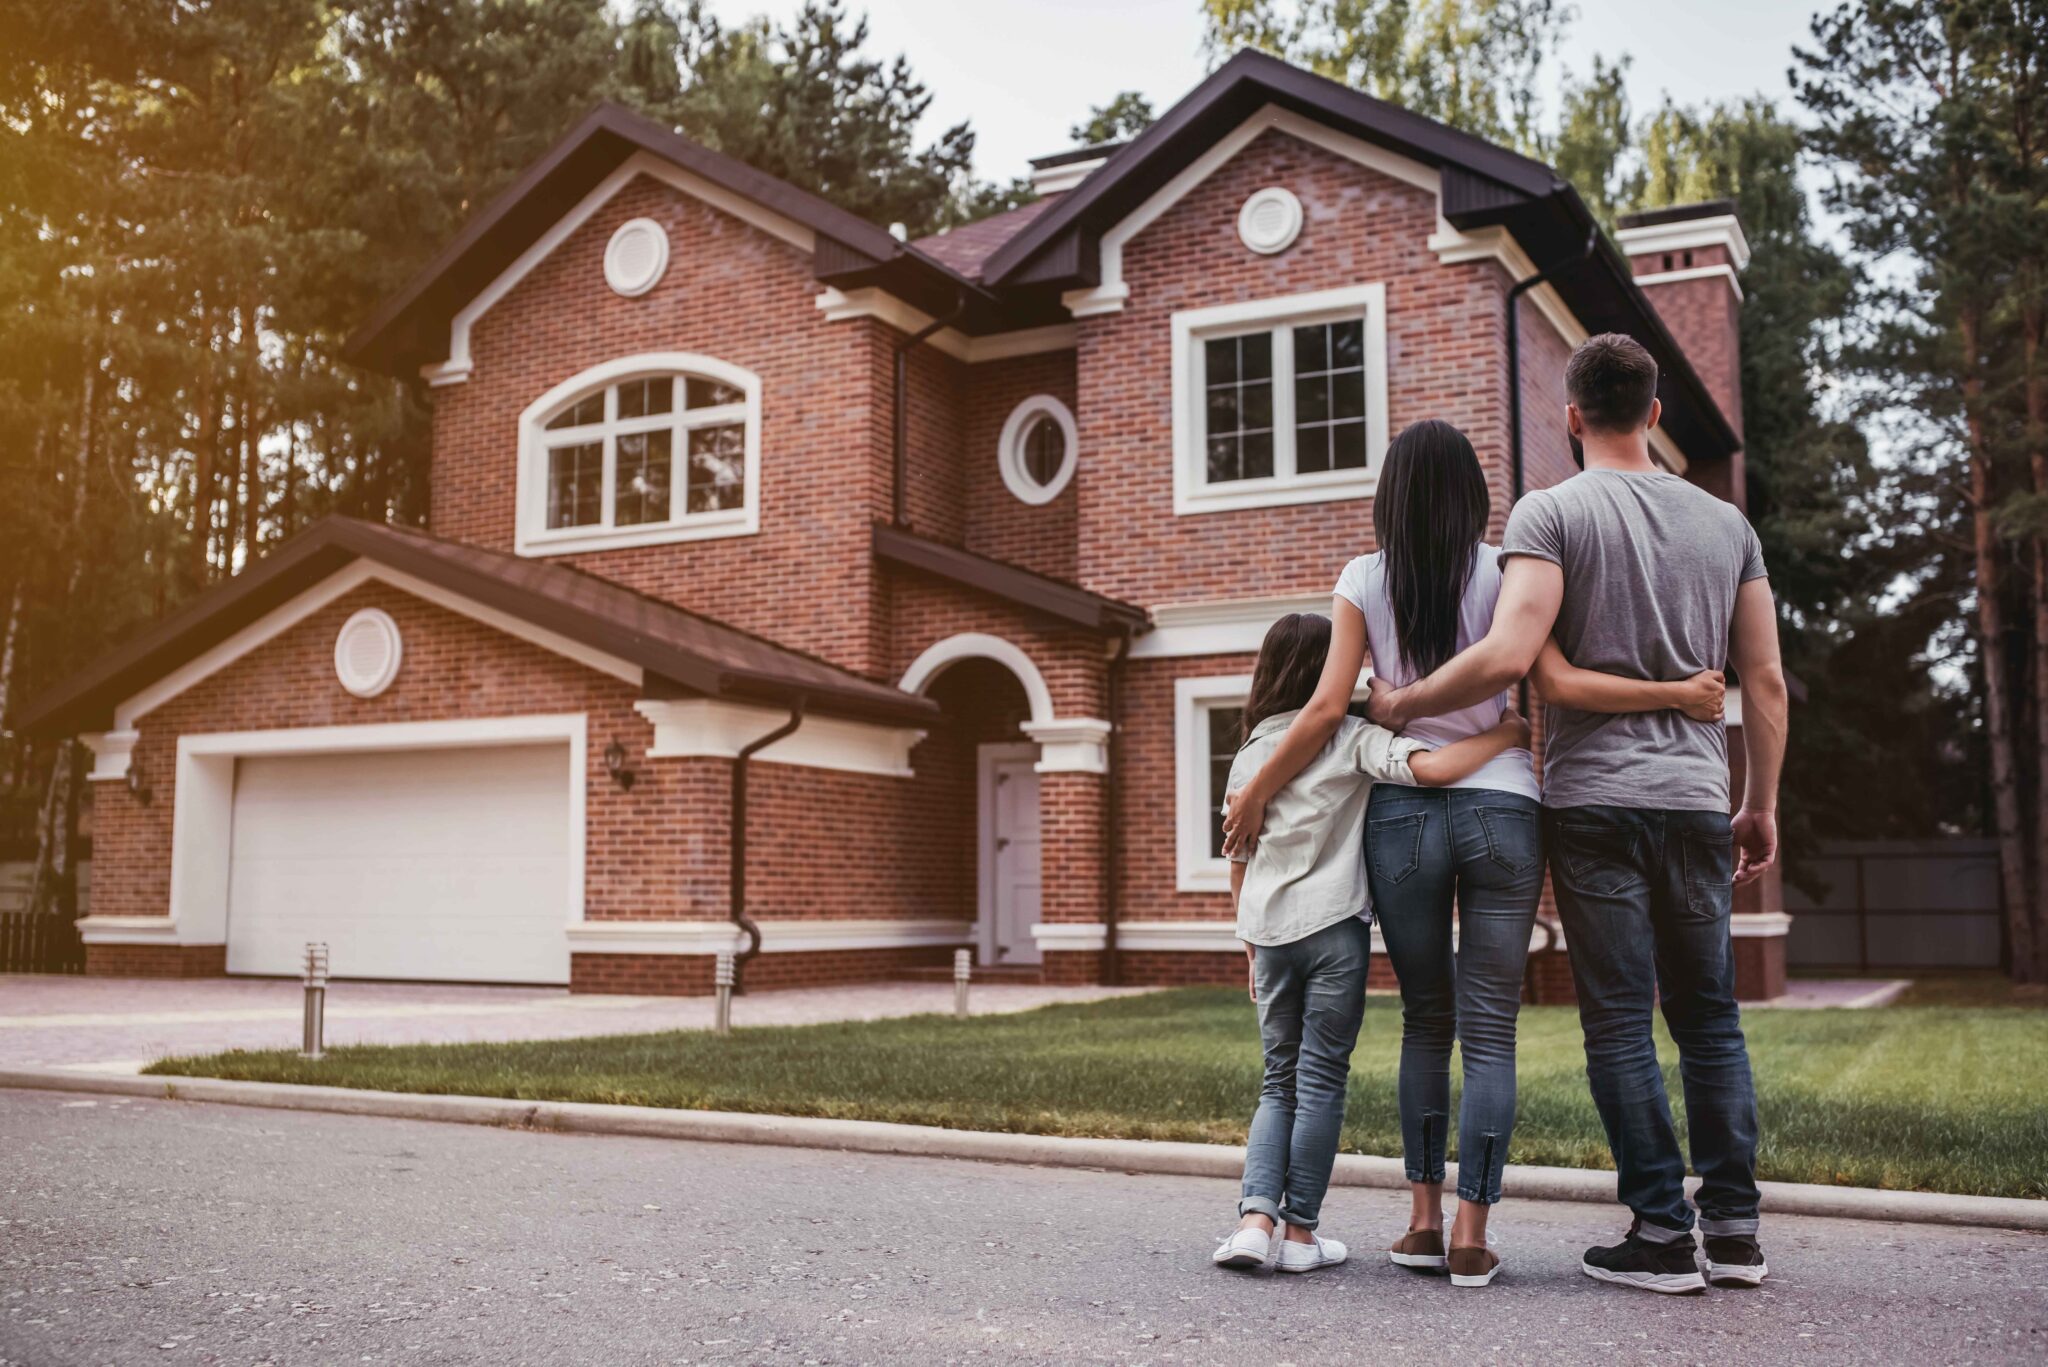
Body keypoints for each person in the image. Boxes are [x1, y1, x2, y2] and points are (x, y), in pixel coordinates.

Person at [1221, 418, 1726, 1290]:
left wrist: (1260, 786)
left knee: (1426, 1018)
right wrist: (1522, 725)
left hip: (1404, 817)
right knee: (1491, 1029)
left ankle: (1418, 1221)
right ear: (1475, 497)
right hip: (1503, 807)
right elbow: (1549, 674)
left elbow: (1322, 710)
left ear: (1388, 495)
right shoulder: (1510, 569)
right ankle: (1470, 1232)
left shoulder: (1362, 577)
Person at [1357, 335, 1789, 1295]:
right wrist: (1757, 802)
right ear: (1657, 411)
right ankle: (1736, 1230)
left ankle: (1662, 1235)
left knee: (1622, 1024)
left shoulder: (1550, 514)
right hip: (1693, 801)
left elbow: (1514, 656)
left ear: (1571, 416)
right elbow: (1762, 676)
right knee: (1712, 1019)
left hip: (1594, 802)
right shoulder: (1728, 525)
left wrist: (1401, 704)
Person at [1211, 611, 1530, 1276]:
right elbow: (1436, 768)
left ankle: (1252, 1221)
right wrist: (1506, 732)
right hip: (1334, 935)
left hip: (1268, 938)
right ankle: (1300, 1234)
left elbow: (1237, 859)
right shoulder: (1353, 738)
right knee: (1321, 1080)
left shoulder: (1248, 756)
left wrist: (1248, 948)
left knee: (1278, 1081)